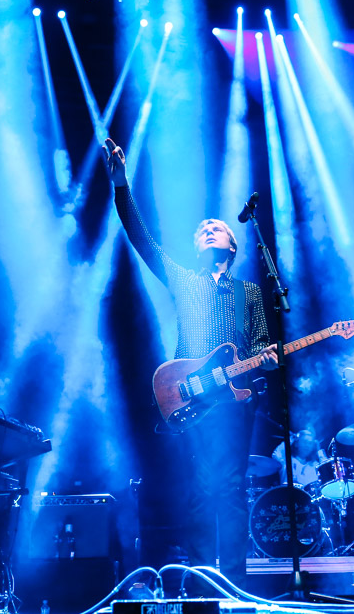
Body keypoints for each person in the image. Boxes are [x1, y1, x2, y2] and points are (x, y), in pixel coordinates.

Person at [105, 138, 278, 588]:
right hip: (193, 394)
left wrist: (269, 360)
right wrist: (122, 185)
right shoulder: (185, 282)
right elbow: (141, 239)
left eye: (214, 227)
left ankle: (236, 585)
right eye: (200, 229)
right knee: (203, 490)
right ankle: (203, 585)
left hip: (238, 397)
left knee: (232, 489)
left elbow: (260, 343)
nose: (205, 228)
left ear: (233, 244)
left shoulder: (250, 293)